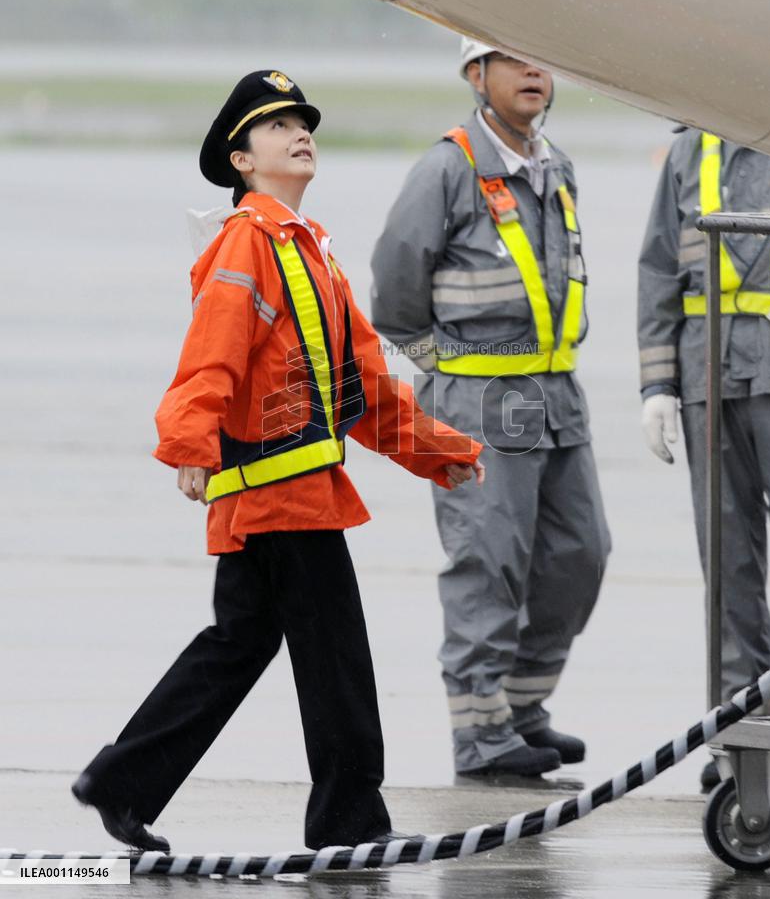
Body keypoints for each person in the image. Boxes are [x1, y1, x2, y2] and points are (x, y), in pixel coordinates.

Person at [71, 69, 484, 852]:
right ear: (241, 160)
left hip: (289, 493)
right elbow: (209, 358)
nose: (300, 133)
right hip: (282, 494)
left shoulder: (310, 251)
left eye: (304, 122)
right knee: (337, 660)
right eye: (276, 125)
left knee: (237, 645)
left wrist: (440, 453)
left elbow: (363, 389)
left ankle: (121, 782)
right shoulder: (248, 243)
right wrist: (188, 445)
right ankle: (349, 824)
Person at [370, 39, 610, 779]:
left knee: (579, 555)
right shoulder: (447, 168)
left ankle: (521, 711)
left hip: (554, 394)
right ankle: (479, 735)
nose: (536, 71)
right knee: (489, 562)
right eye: (515, 60)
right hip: (481, 398)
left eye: (544, 59)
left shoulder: (555, 167)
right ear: (477, 76)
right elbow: (393, 285)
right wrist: (441, 372)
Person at [638, 128, 770, 792]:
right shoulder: (691, 149)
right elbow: (657, 269)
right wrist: (656, 385)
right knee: (729, 565)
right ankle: (738, 733)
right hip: (709, 375)